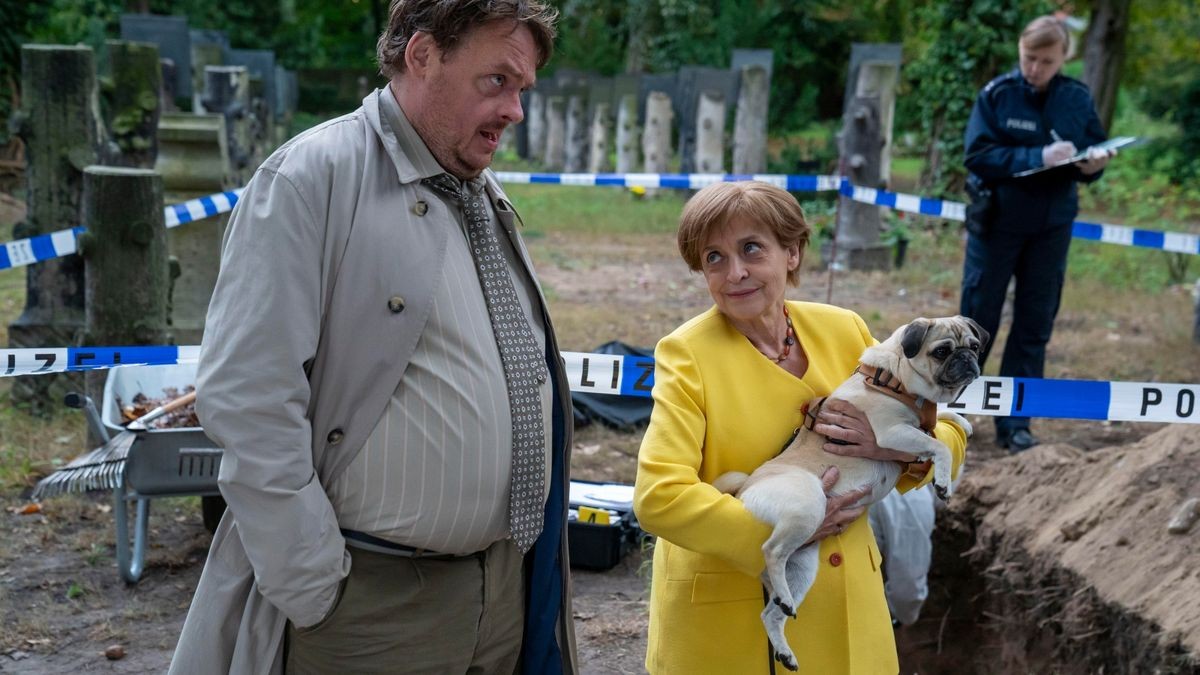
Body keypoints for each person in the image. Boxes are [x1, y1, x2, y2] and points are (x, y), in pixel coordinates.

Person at [169, 2, 578, 673]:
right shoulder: (309, 178)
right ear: (423, 56)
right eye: (496, 82)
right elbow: (248, 396)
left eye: (522, 90)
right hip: (371, 607)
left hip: (502, 591)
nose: (515, 112)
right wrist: (315, 584)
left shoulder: (476, 186)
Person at [632, 181, 968, 673]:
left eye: (751, 249)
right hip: (734, 624)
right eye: (714, 258)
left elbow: (948, 433)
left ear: (791, 253)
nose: (736, 273)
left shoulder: (845, 329)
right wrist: (794, 531)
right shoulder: (686, 354)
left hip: (847, 614)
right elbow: (659, 496)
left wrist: (896, 449)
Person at [961, 15, 1112, 453]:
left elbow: (1094, 149)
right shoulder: (997, 95)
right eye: (1029, 58)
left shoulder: (1077, 99)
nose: (1035, 68)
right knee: (977, 321)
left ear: (1064, 58)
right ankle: (950, 412)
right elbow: (978, 154)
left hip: (1051, 227)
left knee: (1034, 322)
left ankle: (1015, 424)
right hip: (998, 224)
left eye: (1046, 61)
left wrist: (1094, 165)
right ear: (1020, 52)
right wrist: (1036, 154)